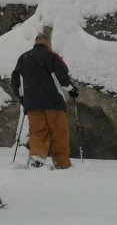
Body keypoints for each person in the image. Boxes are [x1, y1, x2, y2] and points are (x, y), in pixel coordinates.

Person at [11, 32, 78, 169]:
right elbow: (62, 76)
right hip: (53, 102)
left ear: (35, 42)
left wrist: (23, 98)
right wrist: (71, 89)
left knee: (37, 132)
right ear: (48, 43)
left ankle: (37, 159)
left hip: (32, 105)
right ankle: (62, 164)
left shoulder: (23, 58)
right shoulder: (52, 56)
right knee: (58, 132)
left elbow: (15, 81)